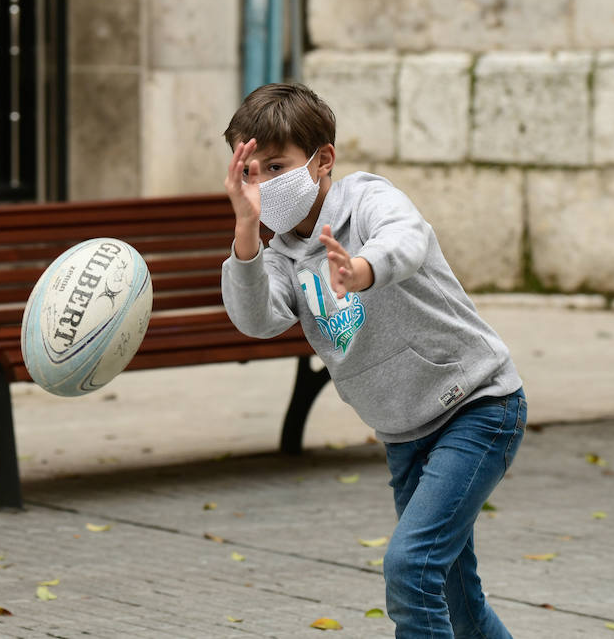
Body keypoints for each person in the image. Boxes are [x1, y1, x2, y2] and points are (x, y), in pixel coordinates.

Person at [219, 82, 525, 639]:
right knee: (458, 602)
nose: (264, 181)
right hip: (404, 433)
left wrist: (361, 269)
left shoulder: (367, 199)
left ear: (323, 160)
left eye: (277, 165)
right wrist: (245, 229)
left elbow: (406, 237)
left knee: (411, 570)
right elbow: (257, 319)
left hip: (478, 406)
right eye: (251, 171)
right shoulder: (282, 252)